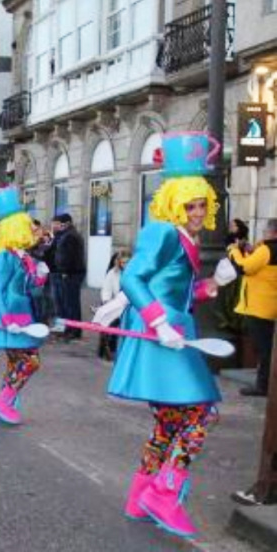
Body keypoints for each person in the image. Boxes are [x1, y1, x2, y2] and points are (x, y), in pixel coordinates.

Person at [103, 132, 235, 540]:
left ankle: (139, 496)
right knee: (202, 413)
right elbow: (133, 278)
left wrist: (213, 284)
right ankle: (163, 493)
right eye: (189, 205)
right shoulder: (162, 232)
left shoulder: (185, 237)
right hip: (161, 335)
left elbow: (177, 291)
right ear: (173, 203)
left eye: (202, 204)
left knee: (169, 422)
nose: (197, 212)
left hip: (177, 331)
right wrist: (158, 322)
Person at [0, 187, 50, 425]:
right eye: (26, 224)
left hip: (23, 314)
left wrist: (40, 276)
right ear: (16, 227)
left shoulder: (24, 256)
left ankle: (7, 402)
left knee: (16, 361)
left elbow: (27, 286)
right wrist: (6, 320)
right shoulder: (5, 256)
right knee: (30, 361)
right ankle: (3, 401)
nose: (32, 228)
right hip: (9, 316)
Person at [228, 218, 277, 397]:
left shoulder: (266, 249)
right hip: (270, 304)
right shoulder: (265, 250)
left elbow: (244, 267)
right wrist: (250, 251)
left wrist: (234, 250)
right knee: (267, 348)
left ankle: (263, 386)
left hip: (259, 306)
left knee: (263, 349)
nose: (263, 234)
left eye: (265, 231)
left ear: (273, 232)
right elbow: (259, 266)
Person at [49, 213, 86, 340]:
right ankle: (64, 328)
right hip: (63, 273)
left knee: (71, 304)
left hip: (71, 274)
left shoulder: (71, 236)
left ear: (65, 223)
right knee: (62, 304)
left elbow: (70, 257)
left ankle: (74, 330)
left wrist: (65, 271)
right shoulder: (62, 235)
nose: (54, 226)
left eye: (56, 223)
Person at [97, 250, 129, 361]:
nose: (125, 265)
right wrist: (106, 301)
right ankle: (108, 348)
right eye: (123, 262)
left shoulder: (134, 273)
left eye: (127, 262)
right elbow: (106, 289)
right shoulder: (113, 273)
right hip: (116, 302)